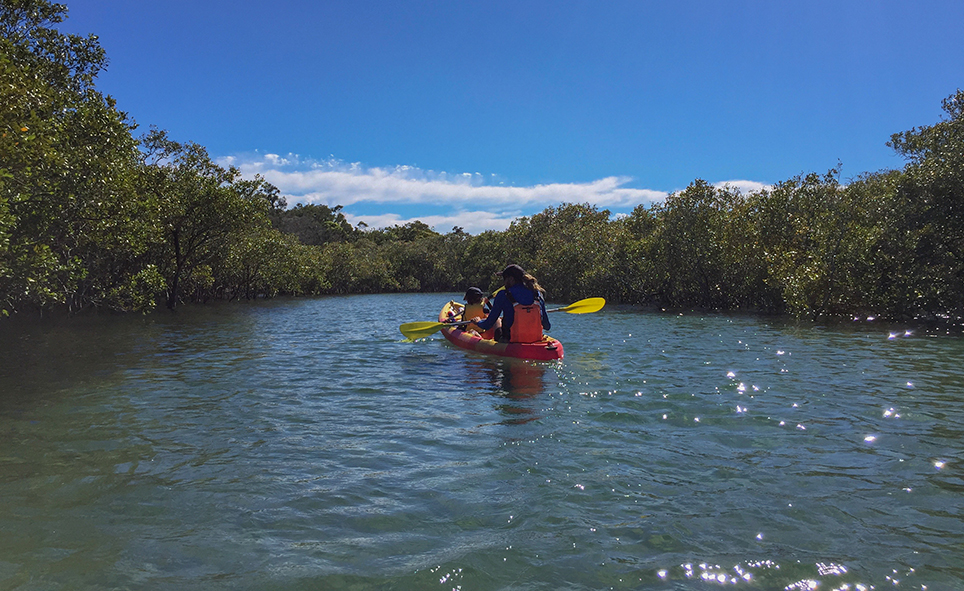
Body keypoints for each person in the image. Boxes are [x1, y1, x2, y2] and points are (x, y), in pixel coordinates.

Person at [471, 264, 550, 343]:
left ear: (511, 279)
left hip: (510, 341)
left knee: (497, 321)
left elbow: (487, 325)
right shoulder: (537, 294)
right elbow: (547, 326)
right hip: (535, 340)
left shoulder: (503, 294)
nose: (504, 282)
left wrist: (478, 322)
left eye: (504, 279)